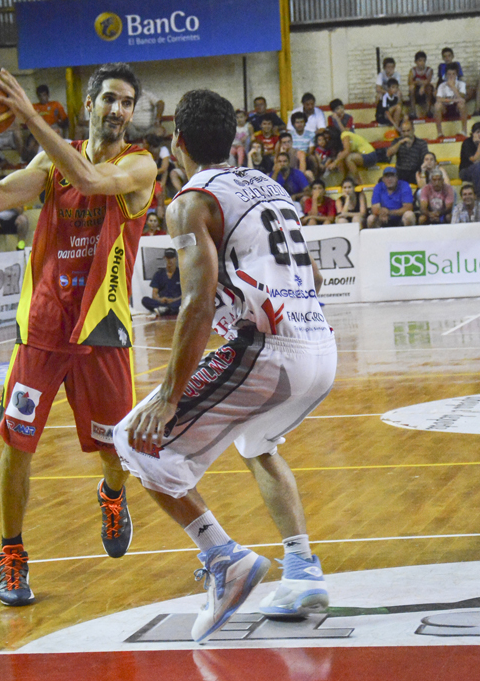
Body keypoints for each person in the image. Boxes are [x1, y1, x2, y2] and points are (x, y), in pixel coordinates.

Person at [114, 89, 337, 643]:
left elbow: (196, 301)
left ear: (177, 142)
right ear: (233, 138)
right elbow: (313, 277)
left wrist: (170, 396)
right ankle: (302, 570)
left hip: (270, 350)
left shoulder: (191, 201)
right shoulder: (269, 186)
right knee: (256, 443)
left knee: (134, 440)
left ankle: (224, 558)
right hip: (321, 350)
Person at [0, 62, 157, 607]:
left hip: (102, 330)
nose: (117, 109)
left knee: (116, 453)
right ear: (89, 104)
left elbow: (90, 180)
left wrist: (30, 118)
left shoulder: (140, 164)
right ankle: (12, 553)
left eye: (126, 102)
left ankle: (112, 495)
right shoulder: (51, 162)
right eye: (109, 98)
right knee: (16, 445)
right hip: (42, 327)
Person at [386, 118, 429, 184]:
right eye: (403, 131)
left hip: (415, 172)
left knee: (427, 176)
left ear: (413, 130)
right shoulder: (397, 141)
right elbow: (388, 153)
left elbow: (425, 159)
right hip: (400, 172)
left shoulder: (421, 143)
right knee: (383, 180)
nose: (406, 134)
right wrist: (399, 143)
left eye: (408, 131)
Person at [141, 248, 181, 316]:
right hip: (162, 303)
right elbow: (154, 294)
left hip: (175, 301)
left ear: (176, 258)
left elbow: (186, 294)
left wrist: (173, 300)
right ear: (164, 258)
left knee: (184, 301)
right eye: (168, 258)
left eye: (172, 258)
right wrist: (160, 299)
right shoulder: (158, 274)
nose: (170, 260)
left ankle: (166, 309)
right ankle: (167, 309)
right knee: (145, 300)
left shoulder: (182, 274)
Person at [433, 65, 468, 138]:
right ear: (446, 75)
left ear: (456, 75)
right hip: (446, 108)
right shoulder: (442, 85)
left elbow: (461, 98)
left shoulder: (461, 84)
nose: (451, 76)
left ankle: (464, 131)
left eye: (453, 74)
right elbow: (438, 99)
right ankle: (439, 133)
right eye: (449, 74)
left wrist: (453, 87)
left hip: (456, 108)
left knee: (461, 105)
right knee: (437, 105)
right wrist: (453, 100)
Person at [407, 51, 434, 118]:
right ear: (415, 62)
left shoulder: (429, 70)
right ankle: (413, 111)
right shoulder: (413, 70)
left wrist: (423, 86)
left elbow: (428, 81)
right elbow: (410, 82)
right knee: (411, 88)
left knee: (429, 88)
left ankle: (429, 111)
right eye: (420, 61)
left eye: (424, 61)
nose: (422, 63)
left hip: (426, 89)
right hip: (416, 90)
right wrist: (420, 82)